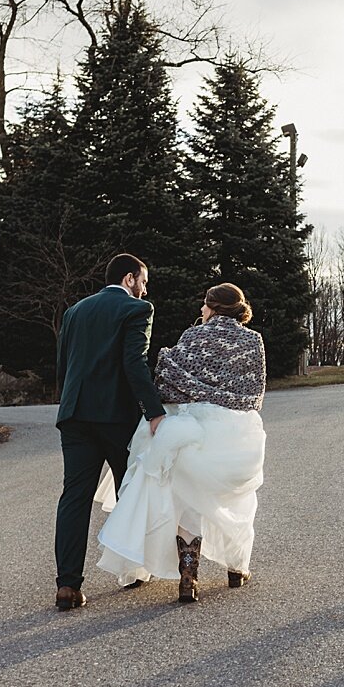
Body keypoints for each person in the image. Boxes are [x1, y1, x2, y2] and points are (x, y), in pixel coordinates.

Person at [95, 282, 267, 602]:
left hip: (194, 429)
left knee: (189, 500)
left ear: (213, 306)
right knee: (237, 500)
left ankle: (189, 578)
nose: (200, 310)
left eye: (204, 304)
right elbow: (254, 395)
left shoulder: (192, 337)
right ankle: (235, 567)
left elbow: (167, 382)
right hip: (235, 432)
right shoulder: (252, 341)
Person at [52, 253, 167, 612]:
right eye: (143, 281)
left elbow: (63, 367)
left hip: (74, 415)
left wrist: (69, 404)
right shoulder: (137, 310)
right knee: (129, 491)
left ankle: (67, 586)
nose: (145, 289)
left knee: (74, 497)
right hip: (116, 417)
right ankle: (132, 570)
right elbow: (134, 363)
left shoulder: (74, 312)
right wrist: (155, 411)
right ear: (130, 278)